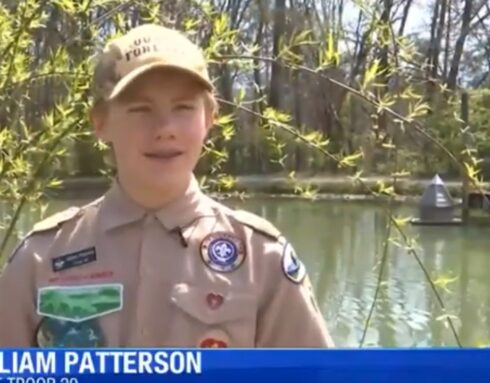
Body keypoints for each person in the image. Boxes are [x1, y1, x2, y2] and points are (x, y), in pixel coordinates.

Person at [0, 24, 333, 348]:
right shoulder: (41, 257)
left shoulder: (262, 258)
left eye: (183, 108)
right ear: (100, 123)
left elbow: (318, 376)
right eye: (141, 109)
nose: (165, 128)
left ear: (210, 120)